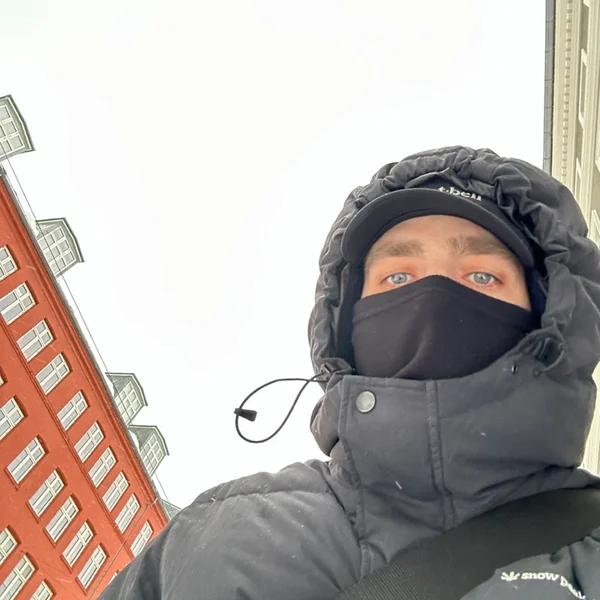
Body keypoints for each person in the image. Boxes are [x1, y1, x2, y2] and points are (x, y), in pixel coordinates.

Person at [100, 146, 600, 600]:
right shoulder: (210, 539)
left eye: (482, 275)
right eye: (398, 276)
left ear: (547, 313)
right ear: (344, 323)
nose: (432, 301)